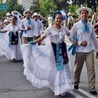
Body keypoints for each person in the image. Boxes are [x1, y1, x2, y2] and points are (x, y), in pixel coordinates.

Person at [21, 11, 73, 96]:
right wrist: (33, 43)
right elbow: (42, 38)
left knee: (63, 68)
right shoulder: (50, 29)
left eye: (60, 18)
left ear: (62, 20)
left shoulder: (64, 29)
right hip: (53, 51)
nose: (58, 20)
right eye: (57, 18)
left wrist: (76, 41)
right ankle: (55, 86)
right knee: (56, 69)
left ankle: (63, 87)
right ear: (54, 19)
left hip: (63, 51)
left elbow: (71, 36)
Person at [69, 6, 98, 95]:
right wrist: (80, 42)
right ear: (80, 15)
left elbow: (93, 39)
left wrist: (97, 50)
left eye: (85, 13)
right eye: (82, 13)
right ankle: (76, 82)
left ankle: (92, 88)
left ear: (88, 15)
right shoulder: (76, 25)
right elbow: (70, 37)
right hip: (79, 50)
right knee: (77, 68)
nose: (84, 14)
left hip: (89, 50)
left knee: (91, 70)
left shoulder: (90, 26)